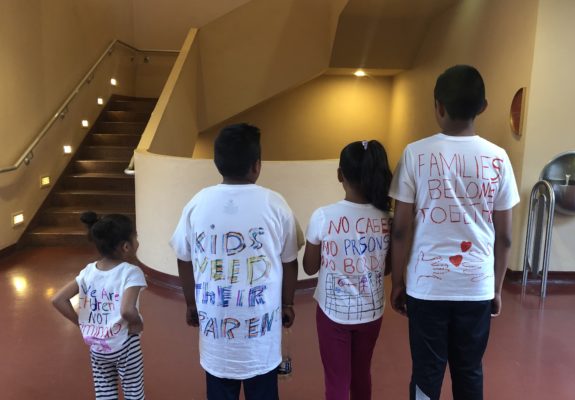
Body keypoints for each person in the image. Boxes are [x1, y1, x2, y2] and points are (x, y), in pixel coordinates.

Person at [389, 65, 520, 400]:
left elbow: (401, 229)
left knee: (426, 373)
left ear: (438, 106)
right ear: (484, 106)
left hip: (426, 287)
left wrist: (399, 282)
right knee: (469, 370)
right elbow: (504, 236)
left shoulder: (415, 153)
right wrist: (497, 286)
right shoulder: (499, 158)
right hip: (476, 285)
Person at [170, 123, 300, 400]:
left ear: (217, 163)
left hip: (216, 342)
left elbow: (184, 258)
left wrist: (191, 304)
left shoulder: (197, 203)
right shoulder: (276, 204)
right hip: (262, 343)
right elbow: (289, 262)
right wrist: (288, 303)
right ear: (257, 165)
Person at [303, 140, 393, 400]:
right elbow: (385, 270)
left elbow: (310, 268)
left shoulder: (323, 216)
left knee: (337, 380)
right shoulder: (387, 218)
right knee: (361, 374)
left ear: (340, 174)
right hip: (372, 312)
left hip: (333, 314)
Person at [52, 212, 147, 400]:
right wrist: (137, 323)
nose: (138, 241)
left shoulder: (88, 271)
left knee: (105, 391)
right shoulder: (131, 272)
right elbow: (127, 310)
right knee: (133, 391)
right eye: (136, 237)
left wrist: (82, 323)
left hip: (97, 346)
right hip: (125, 343)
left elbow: (58, 300)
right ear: (126, 246)